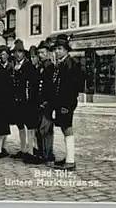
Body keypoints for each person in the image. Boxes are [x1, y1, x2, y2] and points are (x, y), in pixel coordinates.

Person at [52, 34, 80, 171]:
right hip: (61, 102)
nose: (57, 51)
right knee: (64, 128)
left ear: (66, 50)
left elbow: (72, 87)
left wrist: (66, 106)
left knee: (67, 128)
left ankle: (70, 160)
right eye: (56, 49)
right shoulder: (62, 63)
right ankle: (68, 156)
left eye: (59, 49)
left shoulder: (70, 64)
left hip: (66, 103)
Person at [10, 40, 38, 163]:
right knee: (20, 125)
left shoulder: (28, 66)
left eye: (20, 52)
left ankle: (31, 151)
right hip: (17, 101)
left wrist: (30, 100)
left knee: (30, 126)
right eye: (15, 52)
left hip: (27, 101)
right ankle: (22, 149)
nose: (17, 54)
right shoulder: (14, 66)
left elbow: (32, 85)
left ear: (24, 54)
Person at [34, 40, 56, 166]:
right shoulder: (41, 66)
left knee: (46, 129)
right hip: (40, 102)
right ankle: (42, 153)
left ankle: (48, 154)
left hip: (47, 103)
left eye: (42, 53)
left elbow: (50, 87)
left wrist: (47, 101)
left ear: (47, 53)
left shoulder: (50, 67)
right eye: (39, 53)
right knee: (39, 129)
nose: (40, 55)